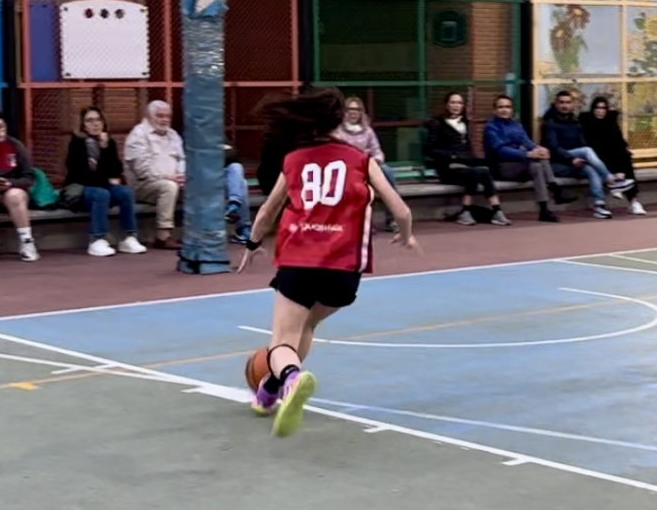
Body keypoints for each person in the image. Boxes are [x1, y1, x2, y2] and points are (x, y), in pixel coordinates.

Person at [239, 87, 416, 439]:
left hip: (300, 261)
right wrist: (406, 234)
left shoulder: (294, 160)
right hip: (344, 270)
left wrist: (252, 243)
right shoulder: (361, 159)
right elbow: (402, 211)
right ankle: (270, 389)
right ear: (338, 121)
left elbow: (267, 212)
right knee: (306, 325)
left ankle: (290, 379)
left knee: (282, 340)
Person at [65, 107, 147, 257]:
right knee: (101, 194)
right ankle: (97, 239)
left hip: (102, 186)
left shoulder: (109, 143)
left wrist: (104, 149)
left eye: (98, 120)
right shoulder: (76, 143)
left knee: (125, 192)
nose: (95, 124)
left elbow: (115, 171)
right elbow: (80, 175)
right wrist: (105, 180)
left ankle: (128, 237)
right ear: (83, 125)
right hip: (80, 189)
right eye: (90, 121)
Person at [540, 89, 633, 219]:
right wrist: (572, 159)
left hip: (575, 160)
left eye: (568, 102)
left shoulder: (575, 122)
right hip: (557, 163)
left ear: (573, 104)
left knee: (592, 170)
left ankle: (599, 206)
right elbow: (553, 148)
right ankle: (611, 180)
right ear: (556, 104)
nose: (565, 106)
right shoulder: (550, 123)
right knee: (587, 151)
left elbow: (582, 142)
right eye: (561, 102)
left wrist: (580, 160)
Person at [423, 91, 510, 226]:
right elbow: (429, 150)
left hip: (464, 165)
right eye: (453, 102)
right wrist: (452, 156)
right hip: (448, 168)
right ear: (446, 105)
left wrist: (473, 159)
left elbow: (468, 149)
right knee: (474, 173)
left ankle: (497, 210)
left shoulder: (464, 123)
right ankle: (466, 211)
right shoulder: (437, 124)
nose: (456, 106)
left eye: (459, 103)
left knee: (484, 171)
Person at [483, 95, 566, 223]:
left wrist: (540, 150)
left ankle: (545, 208)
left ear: (512, 109)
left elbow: (528, 143)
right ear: (494, 110)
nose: (504, 110)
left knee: (539, 160)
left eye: (507, 107)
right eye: (501, 107)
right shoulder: (491, 127)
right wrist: (527, 154)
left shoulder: (516, 125)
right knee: (535, 163)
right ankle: (555, 192)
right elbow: (500, 151)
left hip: (521, 164)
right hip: (502, 166)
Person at [124, 100, 185, 250]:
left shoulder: (173, 135)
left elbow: (182, 159)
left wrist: (181, 175)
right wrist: (167, 176)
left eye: (168, 116)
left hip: (174, 181)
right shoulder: (138, 135)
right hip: (143, 185)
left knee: (198, 186)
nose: (165, 120)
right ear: (148, 116)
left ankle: (196, 232)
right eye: (160, 116)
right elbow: (142, 170)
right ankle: (162, 236)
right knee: (168, 187)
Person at [0, 110, 38, 262]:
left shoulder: (16, 146)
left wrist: (10, 183)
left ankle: (26, 241)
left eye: (0, 127)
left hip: (12, 188)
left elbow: (29, 177)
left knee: (14, 196)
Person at [341, 95, 400, 233]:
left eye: (357, 110)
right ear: (344, 111)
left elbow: (377, 151)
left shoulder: (367, 131)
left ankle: (392, 219)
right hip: (348, 168)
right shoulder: (338, 131)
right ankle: (363, 223)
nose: (353, 112)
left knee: (387, 172)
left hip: (368, 165)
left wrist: (376, 160)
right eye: (350, 109)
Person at [579, 95, 646, 215]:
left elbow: (619, 142)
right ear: (593, 109)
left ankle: (633, 201)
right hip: (597, 156)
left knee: (626, 160)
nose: (601, 110)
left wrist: (621, 169)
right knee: (608, 158)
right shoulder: (587, 122)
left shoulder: (611, 122)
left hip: (613, 157)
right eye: (598, 108)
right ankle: (616, 184)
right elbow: (590, 145)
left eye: (604, 108)